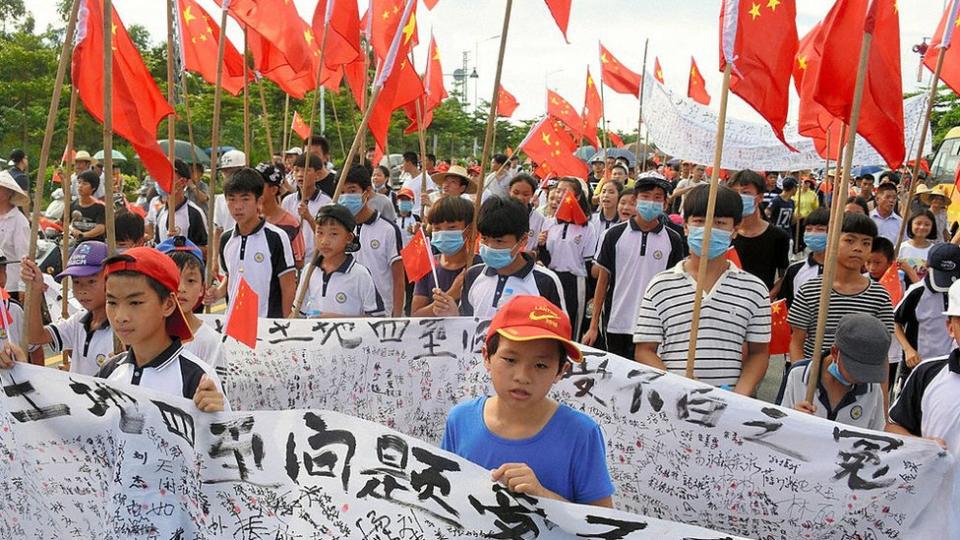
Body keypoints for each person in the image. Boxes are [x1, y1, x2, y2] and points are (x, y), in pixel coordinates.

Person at [441, 295, 614, 507]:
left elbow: (604, 522)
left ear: (561, 370)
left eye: (540, 365)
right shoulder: (460, 420)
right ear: (486, 356)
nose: (522, 376)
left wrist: (542, 496)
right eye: (510, 360)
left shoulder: (581, 434)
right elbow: (447, 495)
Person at [634, 184, 770, 394]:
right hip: (673, 401)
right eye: (699, 221)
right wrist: (676, 386)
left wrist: (739, 396)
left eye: (719, 223)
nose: (708, 229)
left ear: (734, 230)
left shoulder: (754, 289)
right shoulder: (660, 285)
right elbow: (644, 349)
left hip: (729, 406)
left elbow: (759, 353)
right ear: (686, 227)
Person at [92, 247, 226, 410]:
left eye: (135, 303)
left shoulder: (197, 380)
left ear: (168, 304)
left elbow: (228, 433)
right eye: (112, 302)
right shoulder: (109, 370)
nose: (120, 317)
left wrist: (216, 417)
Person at [584, 173, 684, 359]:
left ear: (665, 204)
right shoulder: (613, 235)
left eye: (657, 198)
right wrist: (593, 326)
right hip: (616, 322)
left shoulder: (673, 239)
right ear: (636, 200)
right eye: (645, 197)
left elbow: (674, 286)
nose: (651, 202)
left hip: (653, 326)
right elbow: (603, 281)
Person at [788, 213, 895, 372]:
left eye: (866, 243)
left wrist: (882, 395)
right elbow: (797, 343)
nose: (858, 248)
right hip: (813, 381)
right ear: (831, 240)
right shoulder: (811, 290)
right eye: (849, 240)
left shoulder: (879, 296)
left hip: (860, 383)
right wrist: (802, 377)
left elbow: (881, 352)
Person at [456, 196, 565, 318]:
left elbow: (557, 331)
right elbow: (466, 323)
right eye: (484, 239)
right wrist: (451, 313)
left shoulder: (545, 282)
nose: (490, 247)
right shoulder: (473, 275)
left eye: (499, 241)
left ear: (523, 240)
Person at [209, 167, 296, 318]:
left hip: (266, 325)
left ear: (259, 201)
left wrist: (286, 323)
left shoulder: (276, 237)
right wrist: (216, 293)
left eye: (245, 199)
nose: (237, 206)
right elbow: (231, 277)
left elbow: (288, 285)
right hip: (234, 324)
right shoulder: (226, 239)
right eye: (231, 199)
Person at [887, 279, 960, 455]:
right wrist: (921, 445)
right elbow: (892, 428)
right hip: (938, 481)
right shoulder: (926, 374)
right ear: (950, 327)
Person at [780, 313, 890, 430]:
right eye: (855, 370)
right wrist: (792, 419)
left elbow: (877, 436)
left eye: (869, 371)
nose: (862, 377)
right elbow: (775, 425)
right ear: (835, 352)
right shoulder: (798, 375)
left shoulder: (873, 388)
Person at [20, 242, 112, 375]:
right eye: (76, 282)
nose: (82, 290)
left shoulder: (120, 330)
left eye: (91, 281)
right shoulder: (78, 321)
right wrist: (35, 291)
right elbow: (36, 337)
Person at [338, 165, 406, 317]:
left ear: (367, 192)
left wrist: (396, 316)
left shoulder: (388, 230)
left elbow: (399, 279)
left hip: (382, 316)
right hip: (348, 314)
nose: (346, 197)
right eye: (341, 192)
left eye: (352, 191)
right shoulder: (338, 230)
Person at [295, 205, 384, 318]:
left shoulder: (360, 275)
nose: (325, 241)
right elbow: (298, 314)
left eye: (333, 234)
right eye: (320, 233)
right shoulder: (309, 271)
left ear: (348, 238)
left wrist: (337, 320)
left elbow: (377, 318)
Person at [538, 178, 597, 338]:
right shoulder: (549, 223)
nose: (559, 194)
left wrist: (592, 294)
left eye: (565, 191)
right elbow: (546, 259)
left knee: (571, 326)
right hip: (552, 279)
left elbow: (588, 262)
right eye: (558, 190)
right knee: (549, 323)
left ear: (577, 197)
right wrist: (541, 246)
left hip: (575, 282)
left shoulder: (587, 227)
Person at [895, 243, 960, 384]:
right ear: (928, 267)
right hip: (919, 366)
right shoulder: (917, 291)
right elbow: (894, 321)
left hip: (952, 366)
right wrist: (908, 349)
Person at [156, 237, 224, 368]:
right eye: (173, 278)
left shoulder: (210, 342)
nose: (181, 288)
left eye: (191, 280)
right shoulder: (146, 336)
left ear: (202, 289)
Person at [412, 197, 477, 317]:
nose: (443, 232)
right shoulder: (428, 265)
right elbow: (416, 315)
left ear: (469, 229)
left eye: (452, 227)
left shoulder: (480, 267)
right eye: (437, 228)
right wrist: (451, 294)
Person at [729, 170, 790, 292]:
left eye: (745, 192)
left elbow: (784, 275)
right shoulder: (724, 234)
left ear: (760, 197)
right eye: (735, 192)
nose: (739, 197)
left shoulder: (778, 236)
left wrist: (770, 296)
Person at [281, 153, 333, 264]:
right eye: (296, 170)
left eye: (306, 171)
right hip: (292, 261)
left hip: (315, 261)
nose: (300, 175)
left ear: (318, 175)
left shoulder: (326, 203)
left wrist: (309, 218)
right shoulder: (288, 201)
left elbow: (327, 235)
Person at [146, 160, 208, 251]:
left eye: (168, 176)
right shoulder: (161, 213)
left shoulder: (194, 213)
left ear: (182, 182)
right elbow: (158, 246)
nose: (163, 181)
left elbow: (207, 251)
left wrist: (181, 247)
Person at [779, 207, 830, 308]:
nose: (813, 233)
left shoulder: (843, 269)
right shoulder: (795, 269)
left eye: (820, 229)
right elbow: (785, 305)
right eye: (808, 229)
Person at [257, 163, 305, 270]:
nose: (254, 190)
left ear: (273, 190)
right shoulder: (250, 219)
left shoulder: (291, 224)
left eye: (259, 186)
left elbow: (299, 261)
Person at [0, 171, 28, 293]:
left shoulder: (19, 221)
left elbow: (24, 255)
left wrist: (23, 286)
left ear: (8, 192)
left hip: (10, 285)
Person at [508, 174, 545, 253]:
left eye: (525, 194)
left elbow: (539, 247)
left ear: (532, 194)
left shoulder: (539, 219)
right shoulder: (499, 212)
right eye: (516, 192)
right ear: (509, 190)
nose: (520, 198)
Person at [68, 170, 106, 243]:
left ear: (93, 188)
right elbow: (65, 223)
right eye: (79, 183)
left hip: (95, 245)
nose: (80, 186)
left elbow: (101, 228)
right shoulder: (72, 205)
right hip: (75, 244)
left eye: (84, 184)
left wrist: (83, 235)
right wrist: (72, 230)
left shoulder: (100, 207)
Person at [898, 210, 937, 282]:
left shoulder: (935, 251)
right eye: (918, 223)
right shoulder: (900, 248)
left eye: (927, 224)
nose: (922, 227)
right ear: (911, 224)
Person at [399, 152, 432, 217]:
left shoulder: (425, 178)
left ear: (409, 163)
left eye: (403, 162)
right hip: (408, 216)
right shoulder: (407, 180)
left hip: (419, 216)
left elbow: (430, 197)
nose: (401, 165)